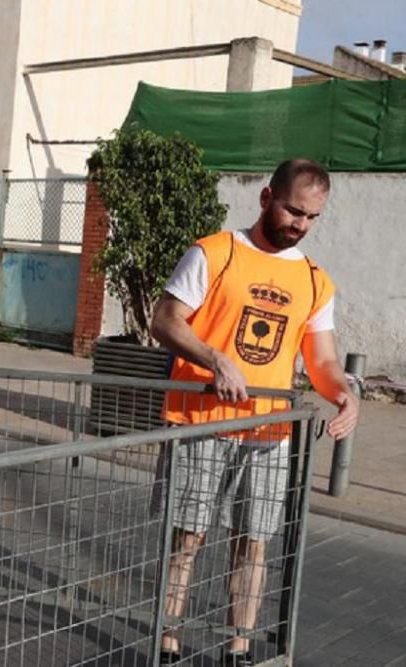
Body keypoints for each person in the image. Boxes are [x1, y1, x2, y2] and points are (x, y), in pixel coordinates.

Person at [150, 159, 359, 666]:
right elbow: (166, 319)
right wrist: (213, 358)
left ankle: (238, 651)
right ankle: (169, 644)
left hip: (268, 433)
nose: (300, 225)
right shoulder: (214, 253)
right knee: (187, 539)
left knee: (254, 544)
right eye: (293, 211)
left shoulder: (314, 281)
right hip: (201, 423)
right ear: (267, 198)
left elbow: (323, 359)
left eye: (312, 217)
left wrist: (344, 393)